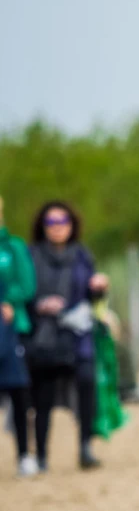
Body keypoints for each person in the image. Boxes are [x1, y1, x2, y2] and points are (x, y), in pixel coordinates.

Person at [25, 201, 109, 472]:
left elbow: (93, 299)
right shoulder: (32, 255)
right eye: (51, 222)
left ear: (72, 225)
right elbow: (22, 292)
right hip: (44, 334)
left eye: (63, 221)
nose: (57, 227)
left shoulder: (82, 255)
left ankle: (85, 447)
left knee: (87, 383)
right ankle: (41, 456)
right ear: (43, 226)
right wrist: (39, 305)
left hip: (78, 332)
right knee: (43, 397)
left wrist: (98, 289)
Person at [0, 195, 37, 476]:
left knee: (19, 393)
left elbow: (26, 285)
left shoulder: (13, 247)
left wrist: (8, 301)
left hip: (12, 331)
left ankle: (25, 454)